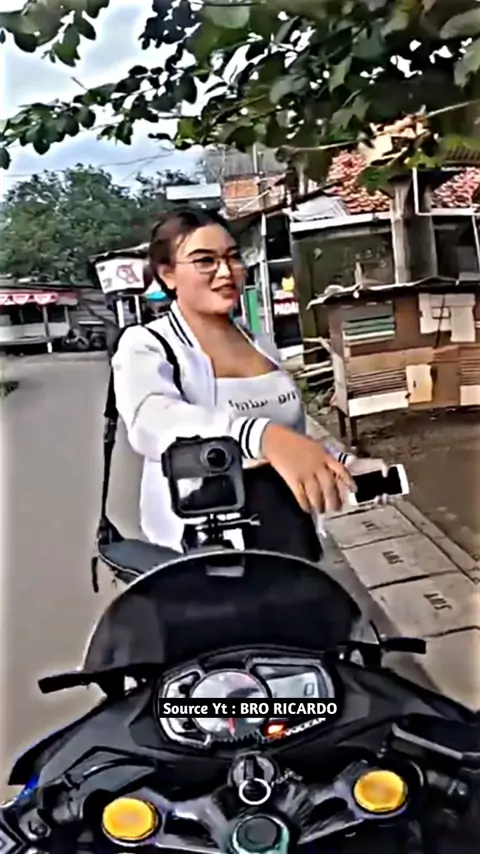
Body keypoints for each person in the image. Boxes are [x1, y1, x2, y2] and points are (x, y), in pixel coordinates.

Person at [112, 208, 384, 557]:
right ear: (168, 274)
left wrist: (342, 463)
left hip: (290, 534)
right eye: (205, 261)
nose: (226, 272)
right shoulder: (148, 344)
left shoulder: (258, 341)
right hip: (206, 552)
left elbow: (292, 434)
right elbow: (152, 421)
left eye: (232, 257)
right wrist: (260, 436)